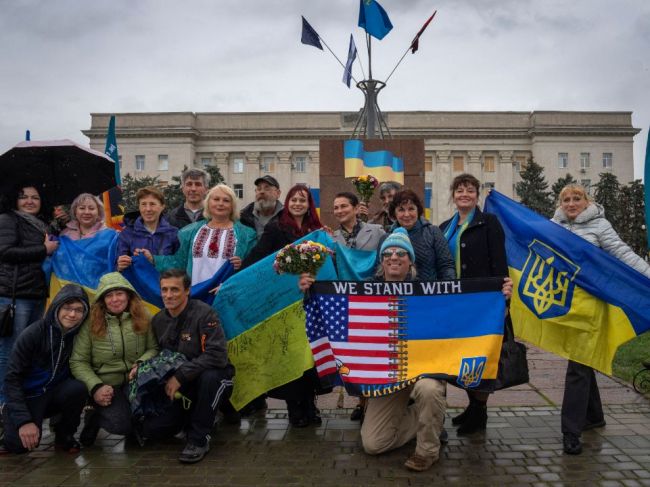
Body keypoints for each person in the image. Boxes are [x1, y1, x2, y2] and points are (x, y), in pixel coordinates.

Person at [299, 228, 446, 471]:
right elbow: (337, 313)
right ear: (381, 259)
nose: (394, 257)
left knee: (430, 390)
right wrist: (312, 292)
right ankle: (428, 418)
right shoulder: (365, 289)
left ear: (410, 260)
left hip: (423, 370)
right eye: (388, 252)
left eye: (401, 253)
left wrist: (499, 298)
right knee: (374, 444)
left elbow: (460, 315)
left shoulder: (428, 291)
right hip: (387, 374)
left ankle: (427, 450)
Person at [552, 184, 650, 455]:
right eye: (566, 200)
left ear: (587, 201)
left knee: (578, 366)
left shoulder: (600, 226)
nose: (571, 204)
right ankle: (594, 416)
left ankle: (570, 430)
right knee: (583, 361)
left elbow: (623, 253)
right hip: (564, 305)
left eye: (577, 199)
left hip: (592, 304)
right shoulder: (553, 227)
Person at [242, 184, 325, 427]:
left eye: (303, 200)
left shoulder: (316, 230)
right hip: (285, 302)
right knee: (291, 356)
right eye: (293, 200)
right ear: (287, 203)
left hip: (312, 302)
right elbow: (258, 258)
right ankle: (295, 410)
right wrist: (232, 280)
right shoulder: (276, 228)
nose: (298, 204)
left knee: (309, 357)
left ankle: (310, 406)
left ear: (309, 204)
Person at [439, 174, 510, 435]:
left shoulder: (489, 222)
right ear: (453, 195)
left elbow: (499, 261)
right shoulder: (446, 226)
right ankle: (472, 406)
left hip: (483, 302)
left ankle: (480, 412)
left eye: (469, 190)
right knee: (463, 357)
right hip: (455, 304)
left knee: (481, 356)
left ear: (477, 195)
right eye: (459, 190)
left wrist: (504, 297)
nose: (464, 194)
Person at [139, 269, 234, 464]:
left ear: (188, 290)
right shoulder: (158, 320)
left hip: (213, 377)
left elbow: (217, 355)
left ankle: (199, 439)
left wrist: (180, 376)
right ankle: (196, 416)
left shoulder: (204, 313)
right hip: (180, 386)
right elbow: (157, 355)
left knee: (209, 378)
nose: (168, 295)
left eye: (174, 289)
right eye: (164, 290)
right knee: (153, 430)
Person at [69, 272, 158, 446]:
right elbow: (78, 361)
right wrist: (96, 387)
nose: (115, 299)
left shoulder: (144, 315)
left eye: (119, 293)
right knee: (120, 424)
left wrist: (141, 363)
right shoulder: (90, 322)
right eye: (109, 295)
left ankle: (135, 426)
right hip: (106, 384)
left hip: (135, 382)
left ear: (128, 294)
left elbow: (154, 348)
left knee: (155, 422)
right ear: (102, 299)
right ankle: (94, 416)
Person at [2, 284, 89, 454]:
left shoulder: (79, 335)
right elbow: (11, 379)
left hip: (54, 393)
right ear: (56, 306)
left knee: (78, 389)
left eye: (79, 310)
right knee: (19, 447)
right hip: (29, 395)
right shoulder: (34, 333)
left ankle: (65, 435)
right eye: (67, 308)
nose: (72, 314)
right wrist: (23, 421)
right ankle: (8, 418)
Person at [0, 185, 59, 406]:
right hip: (14, 296)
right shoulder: (8, 219)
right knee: (10, 351)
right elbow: (5, 252)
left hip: (36, 294)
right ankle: (5, 404)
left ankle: (20, 397)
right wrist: (44, 249)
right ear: (14, 200)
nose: (29, 201)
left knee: (29, 349)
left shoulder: (40, 224)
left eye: (35, 197)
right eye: (23, 197)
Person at [331, 191, 384, 421]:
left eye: (344, 206)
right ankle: (362, 402)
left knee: (373, 351)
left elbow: (385, 260)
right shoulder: (331, 238)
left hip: (372, 301)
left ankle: (375, 402)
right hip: (346, 302)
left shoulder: (377, 232)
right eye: (336, 207)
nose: (340, 211)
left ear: (355, 208)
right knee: (354, 354)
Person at [145, 184, 256, 287]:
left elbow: (253, 267)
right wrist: (153, 259)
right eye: (216, 199)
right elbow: (178, 262)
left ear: (232, 206)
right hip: (196, 293)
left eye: (226, 200)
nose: (220, 203)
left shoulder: (247, 234)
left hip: (227, 294)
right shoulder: (189, 232)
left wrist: (241, 265)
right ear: (208, 203)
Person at [383, 188, 456, 282]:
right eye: (401, 210)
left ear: (418, 210)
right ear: (394, 213)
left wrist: (449, 290)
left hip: (427, 295)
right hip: (396, 295)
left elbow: (446, 265)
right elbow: (379, 271)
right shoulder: (386, 237)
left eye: (411, 209)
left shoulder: (433, 232)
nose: (406, 214)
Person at [116, 186, 179, 271]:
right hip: (137, 283)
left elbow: (180, 263)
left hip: (166, 283)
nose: (148, 209)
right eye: (143, 204)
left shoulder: (174, 233)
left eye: (152, 204)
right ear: (139, 206)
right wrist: (120, 266)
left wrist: (153, 260)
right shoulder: (127, 234)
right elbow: (117, 267)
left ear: (162, 206)